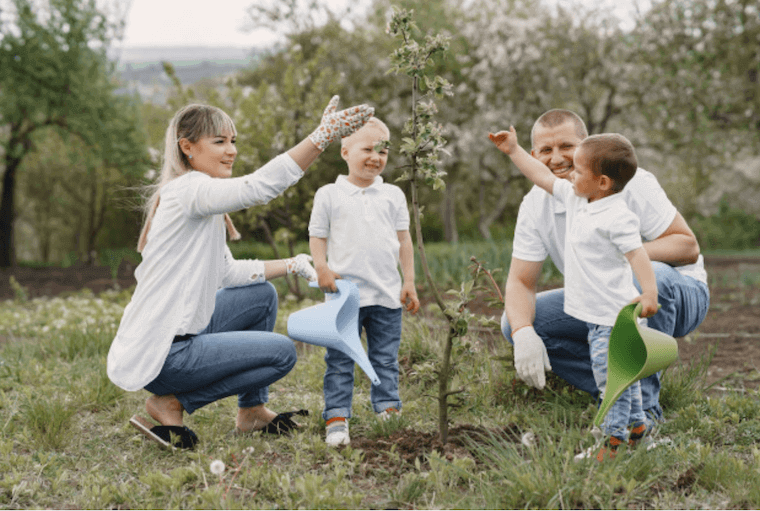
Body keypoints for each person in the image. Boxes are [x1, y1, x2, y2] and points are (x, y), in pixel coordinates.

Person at [107, 97, 374, 449]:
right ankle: (171, 403)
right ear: (187, 147)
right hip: (165, 354)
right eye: (219, 142)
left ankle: (251, 411)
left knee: (262, 296)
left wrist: (292, 263)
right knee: (282, 353)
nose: (231, 151)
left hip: (177, 337)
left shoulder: (198, 197)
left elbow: (227, 272)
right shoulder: (190, 190)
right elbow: (259, 187)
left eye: (233, 141)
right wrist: (320, 138)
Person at [496, 109, 709, 430]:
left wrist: (623, 256)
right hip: (605, 301)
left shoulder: (628, 183)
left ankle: (646, 413)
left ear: (587, 147)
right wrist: (523, 333)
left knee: (648, 273)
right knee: (515, 321)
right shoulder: (538, 204)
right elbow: (521, 282)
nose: (556, 159)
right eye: (545, 150)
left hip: (677, 291)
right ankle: (617, 390)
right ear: (535, 154)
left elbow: (686, 245)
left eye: (566, 146)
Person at [490, 127, 659, 460]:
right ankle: (638, 430)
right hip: (595, 318)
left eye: (579, 171)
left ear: (603, 183)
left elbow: (638, 255)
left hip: (614, 320)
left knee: (611, 380)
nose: (569, 175)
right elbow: (539, 174)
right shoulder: (575, 197)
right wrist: (513, 150)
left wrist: (649, 292)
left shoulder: (617, 216)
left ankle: (613, 443)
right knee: (623, 378)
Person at [308, 117, 421, 447]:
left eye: (383, 150)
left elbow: (404, 241)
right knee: (341, 362)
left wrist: (409, 281)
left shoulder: (393, 194)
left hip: (386, 296)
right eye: (367, 148)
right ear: (345, 151)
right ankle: (337, 416)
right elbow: (317, 236)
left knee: (384, 358)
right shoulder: (329, 194)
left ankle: (387, 408)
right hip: (345, 296)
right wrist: (322, 268)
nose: (376, 156)